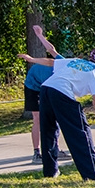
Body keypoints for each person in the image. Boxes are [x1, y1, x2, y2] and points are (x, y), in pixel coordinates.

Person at [18, 46, 95, 181]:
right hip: (61, 93)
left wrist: (32, 59)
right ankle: (92, 175)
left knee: (49, 131)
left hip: (46, 89)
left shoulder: (76, 61)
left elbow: (50, 62)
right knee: (81, 133)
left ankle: (50, 172)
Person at [22, 25, 69, 163]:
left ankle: (55, 149)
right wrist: (39, 35)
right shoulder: (62, 63)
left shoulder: (68, 76)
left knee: (54, 117)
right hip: (33, 86)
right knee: (38, 118)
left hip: (46, 86)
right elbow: (51, 50)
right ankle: (36, 153)